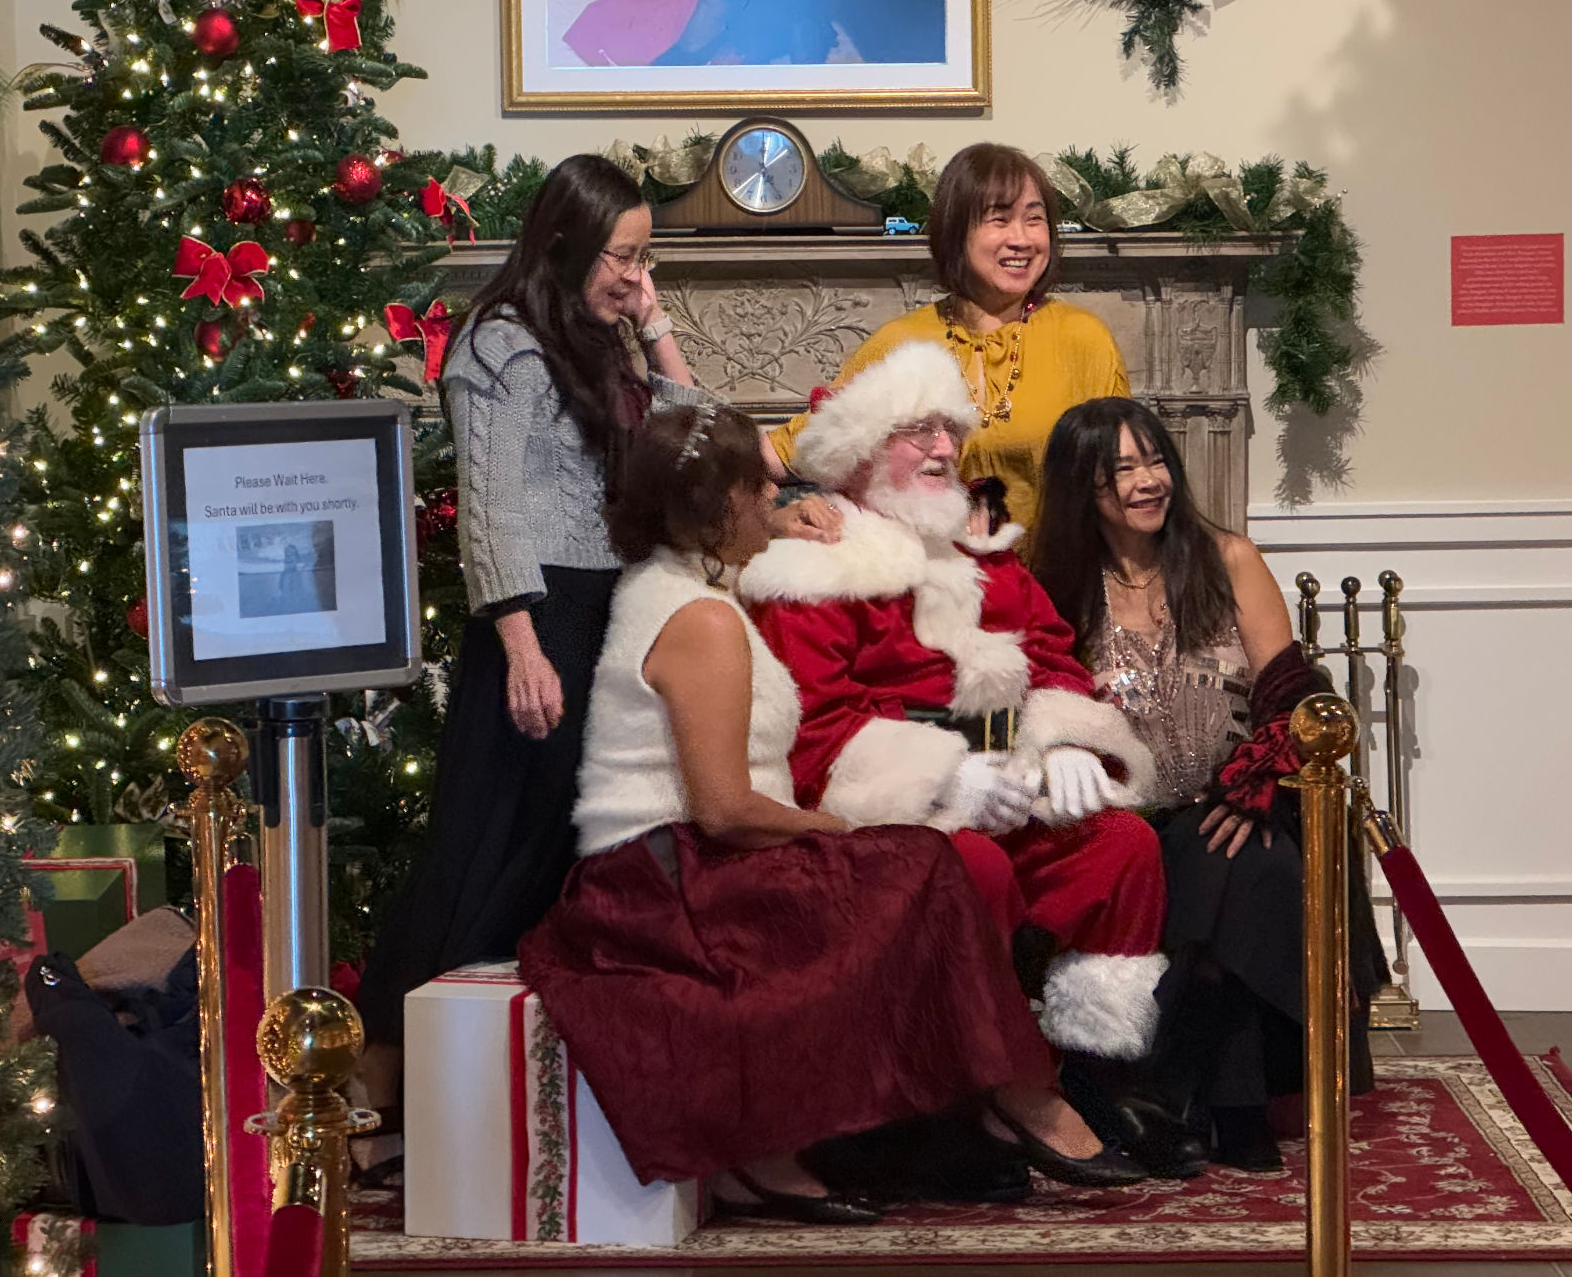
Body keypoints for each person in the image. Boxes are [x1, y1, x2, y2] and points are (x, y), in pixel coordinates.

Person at [519, 403, 1143, 1226]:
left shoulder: (692, 582)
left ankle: (993, 1098)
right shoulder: (703, 619)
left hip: (688, 856)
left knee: (927, 864)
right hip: (662, 876)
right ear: (720, 507)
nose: (780, 504)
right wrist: (844, 835)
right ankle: (1003, 1098)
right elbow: (723, 808)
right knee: (926, 866)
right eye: (762, 490)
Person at [355, 155, 836, 1147]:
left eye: (645, 256)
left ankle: (487, 1086)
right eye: (624, 255)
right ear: (567, 243)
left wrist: (652, 321)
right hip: (530, 621)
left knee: (550, 849)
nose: (633, 273)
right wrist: (521, 645)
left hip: (598, 604)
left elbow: (699, 436)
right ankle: (382, 1074)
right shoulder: (495, 344)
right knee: (480, 845)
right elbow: (486, 505)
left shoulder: (598, 342)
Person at [741, 341, 1210, 1178]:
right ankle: (1007, 1091)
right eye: (917, 431)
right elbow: (813, 733)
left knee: (1122, 848)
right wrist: (945, 779)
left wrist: (1068, 739)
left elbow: (1057, 660)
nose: (945, 450)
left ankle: (1092, 1070)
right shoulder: (810, 570)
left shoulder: (982, 554)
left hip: (1007, 784)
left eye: (950, 431)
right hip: (880, 817)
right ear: (858, 453)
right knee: (975, 869)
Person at [1028, 398, 1389, 1171]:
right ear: (1079, 488)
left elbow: (1291, 693)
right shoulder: (1055, 583)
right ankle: (1233, 1108)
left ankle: (1180, 1096)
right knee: (1211, 859)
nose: (1147, 481)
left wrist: (1250, 783)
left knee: (1246, 856)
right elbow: (1037, 706)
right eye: (1120, 469)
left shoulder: (1228, 559)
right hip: (1124, 818)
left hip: (1241, 799)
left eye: (1154, 460)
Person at [770, 143, 1130, 532]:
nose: (1022, 239)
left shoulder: (1083, 338)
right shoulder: (903, 342)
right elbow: (791, 452)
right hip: (931, 581)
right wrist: (774, 517)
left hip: (1055, 585)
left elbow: (1123, 475)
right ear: (956, 231)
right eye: (1000, 219)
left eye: (1034, 219)